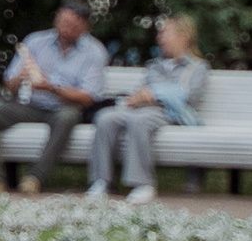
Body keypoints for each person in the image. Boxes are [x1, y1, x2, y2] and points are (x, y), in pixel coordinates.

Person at [0, 2, 110, 192]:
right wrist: (20, 78)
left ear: (84, 27)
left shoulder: (94, 51)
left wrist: (51, 88)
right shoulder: (35, 41)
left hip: (65, 106)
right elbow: (10, 86)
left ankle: (35, 178)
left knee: (67, 117)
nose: (65, 29)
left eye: (72, 26)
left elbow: (88, 97)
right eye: (63, 23)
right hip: (32, 104)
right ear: (56, 18)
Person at [86, 15, 206, 200]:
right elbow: (143, 93)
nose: (159, 38)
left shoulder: (197, 67)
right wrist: (151, 95)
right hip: (142, 109)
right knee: (105, 118)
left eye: (165, 33)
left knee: (139, 120)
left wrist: (154, 94)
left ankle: (142, 184)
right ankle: (101, 181)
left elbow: (190, 97)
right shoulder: (154, 65)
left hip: (170, 114)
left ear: (184, 37)